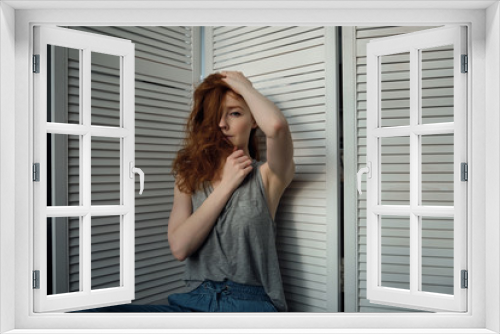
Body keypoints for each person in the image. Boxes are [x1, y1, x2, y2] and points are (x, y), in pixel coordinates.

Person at [75, 71, 294, 313]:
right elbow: (180, 247)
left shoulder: (268, 176)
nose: (222, 124)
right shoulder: (189, 177)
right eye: (214, 115)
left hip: (249, 306)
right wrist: (227, 184)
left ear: (253, 121)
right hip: (193, 302)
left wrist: (239, 84)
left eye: (234, 113)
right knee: (83, 318)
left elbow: (276, 126)